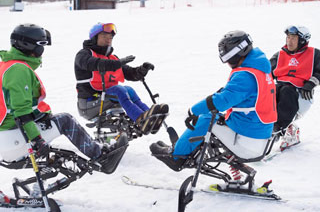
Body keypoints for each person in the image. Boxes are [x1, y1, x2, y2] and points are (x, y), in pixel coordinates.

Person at [150, 31, 277, 177]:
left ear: (239, 52)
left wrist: (193, 111)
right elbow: (236, 95)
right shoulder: (259, 69)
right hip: (257, 134)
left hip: (247, 140)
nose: (228, 63)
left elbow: (222, 101)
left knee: (206, 119)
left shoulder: (245, 75)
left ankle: (177, 156)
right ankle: (183, 148)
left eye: (229, 57)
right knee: (214, 116)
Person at [0, 23, 125, 164]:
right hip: (15, 138)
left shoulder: (8, 64)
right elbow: (22, 111)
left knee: (58, 119)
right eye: (41, 44)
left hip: (8, 135)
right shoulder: (19, 70)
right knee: (66, 120)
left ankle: (99, 147)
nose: (42, 50)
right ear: (29, 46)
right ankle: (100, 156)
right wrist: (37, 140)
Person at [74, 23, 168, 135]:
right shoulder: (83, 55)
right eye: (104, 36)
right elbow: (95, 63)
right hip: (89, 103)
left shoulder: (112, 58)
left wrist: (141, 70)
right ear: (95, 38)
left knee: (129, 90)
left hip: (105, 97)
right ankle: (140, 119)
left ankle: (150, 116)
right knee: (119, 90)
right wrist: (117, 63)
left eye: (110, 37)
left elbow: (130, 73)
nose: (108, 40)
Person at [270, 25, 320, 151]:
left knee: (286, 91)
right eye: (288, 37)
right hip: (280, 91)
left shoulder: (314, 54)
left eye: (293, 38)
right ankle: (286, 129)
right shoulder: (279, 55)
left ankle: (277, 130)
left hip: (301, 95)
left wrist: (311, 83)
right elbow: (266, 73)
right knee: (272, 91)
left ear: (302, 40)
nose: (289, 41)